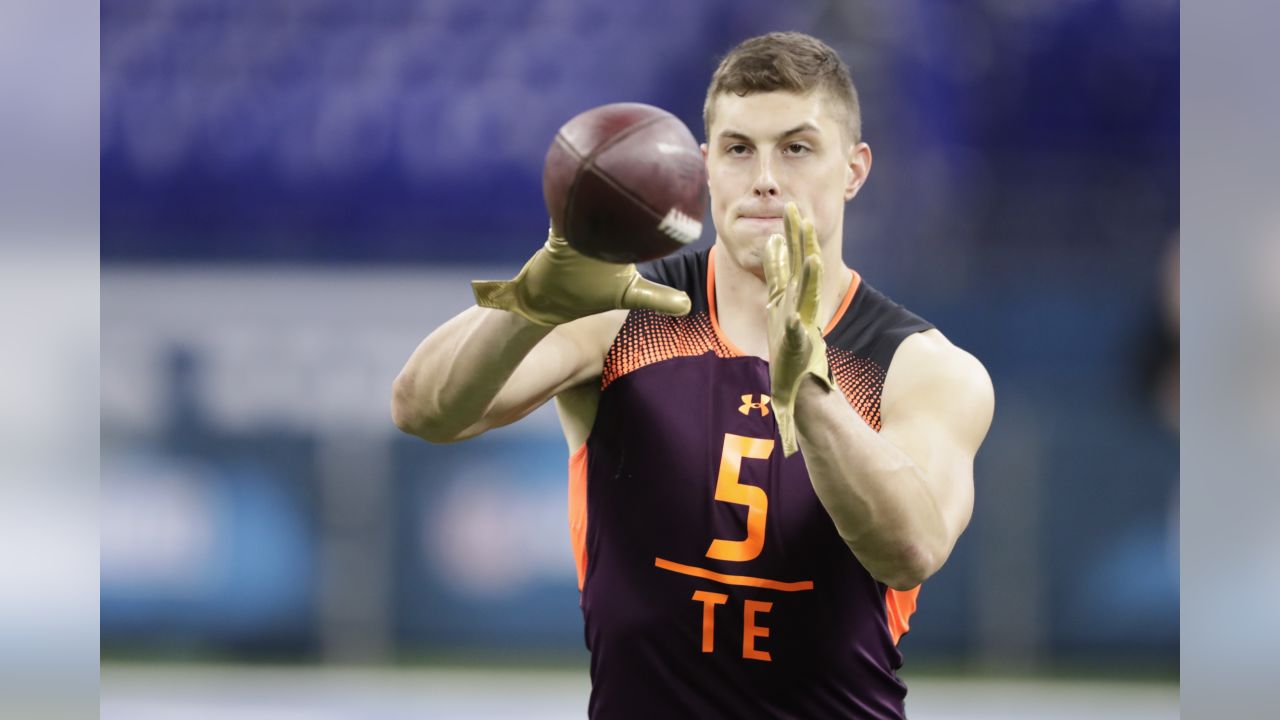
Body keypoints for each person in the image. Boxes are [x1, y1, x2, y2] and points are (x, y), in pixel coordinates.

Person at [393, 31, 993, 720]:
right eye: (739, 150)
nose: (765, 176)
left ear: (854, 169)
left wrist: (813, 398)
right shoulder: (621, 314)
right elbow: (422, 409)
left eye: (796, 148)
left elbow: (910, 549)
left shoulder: (924, 368)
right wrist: (529, 308)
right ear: (704, 167)